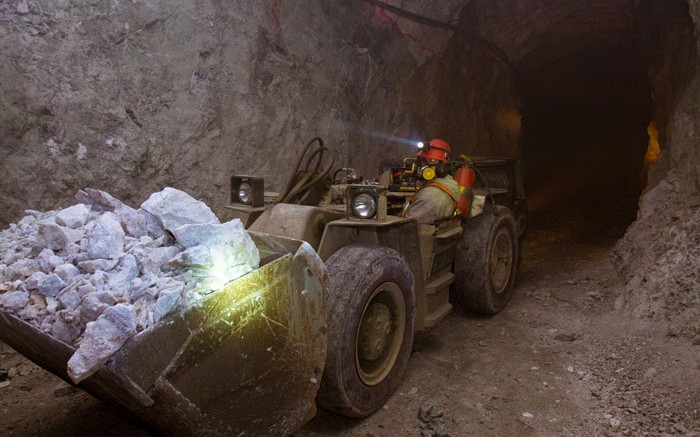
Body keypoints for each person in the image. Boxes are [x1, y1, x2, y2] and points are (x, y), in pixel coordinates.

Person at [403, 139, 461, 224]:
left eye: (426, 161)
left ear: (441, 168)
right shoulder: (448, 184)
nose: (419, 166)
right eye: (420, 161)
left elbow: (408, 228)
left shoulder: (430, 196)